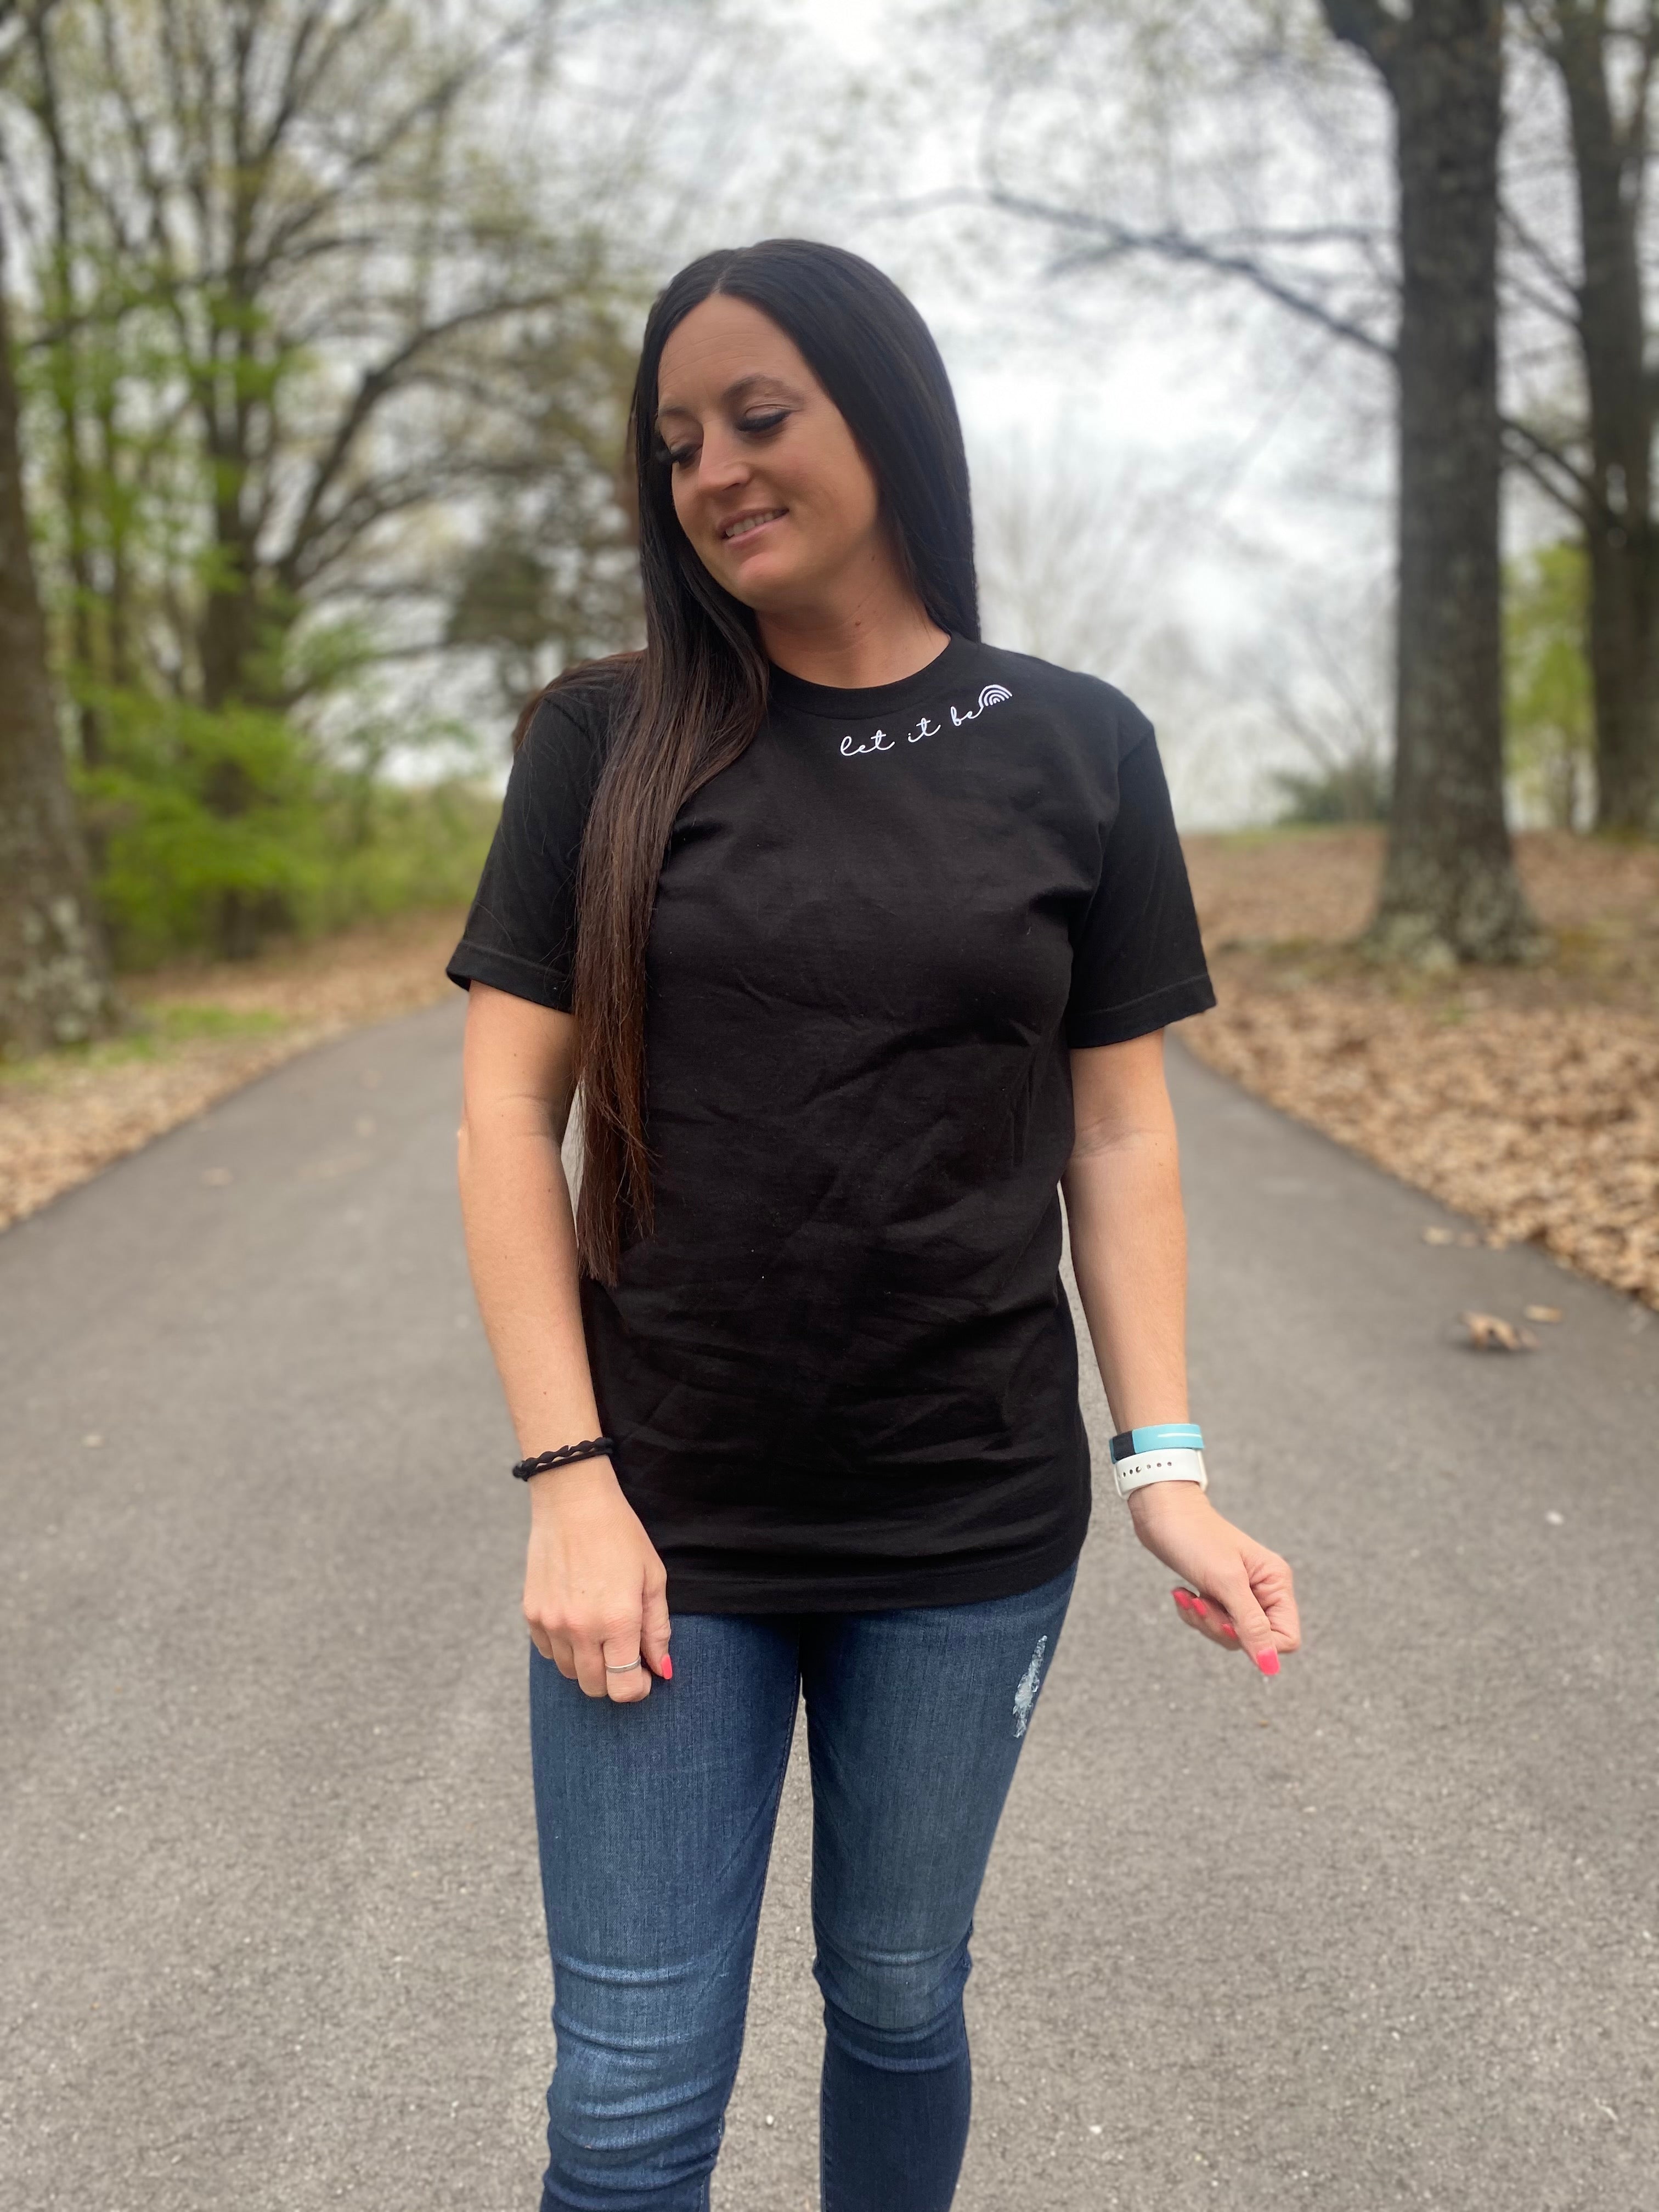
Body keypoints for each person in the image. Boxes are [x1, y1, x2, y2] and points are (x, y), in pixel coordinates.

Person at [447, 236, 1301, 2212]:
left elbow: (1117, 1131)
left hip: (964, 1525)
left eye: (760, 415)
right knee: (630, 2098)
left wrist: (1166, 1466)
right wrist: (569, 1482)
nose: (716, 471)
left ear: (890, 417)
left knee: (903, 1997)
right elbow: (504, 1113)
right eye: (679, 442)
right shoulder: (602, 742)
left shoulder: (1079, 745)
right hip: (665, 1529)